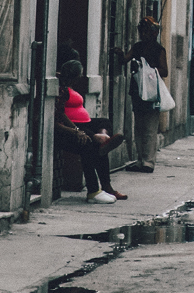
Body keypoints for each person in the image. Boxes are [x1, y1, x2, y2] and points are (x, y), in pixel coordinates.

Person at [56, 60, 125, 202]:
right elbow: (59, 115)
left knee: (104, 122)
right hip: (70, 127)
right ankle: (94, 191)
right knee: (90, 145)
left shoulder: (67, 86)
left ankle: (103, 137)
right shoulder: (60, 89)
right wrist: (75, 130)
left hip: (80, 124)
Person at [128, 15, 168, 172]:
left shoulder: (159, 50)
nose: (143, 35)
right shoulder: (137, 47)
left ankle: (148, 162)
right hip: (138, 91)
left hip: (152, 92)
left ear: (154, 33)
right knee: (139, 127)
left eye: (146, 32)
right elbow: (126, 58)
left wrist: (149, 70)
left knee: (150, 128)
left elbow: (164, 71)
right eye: (142, 31)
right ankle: (140, 160)